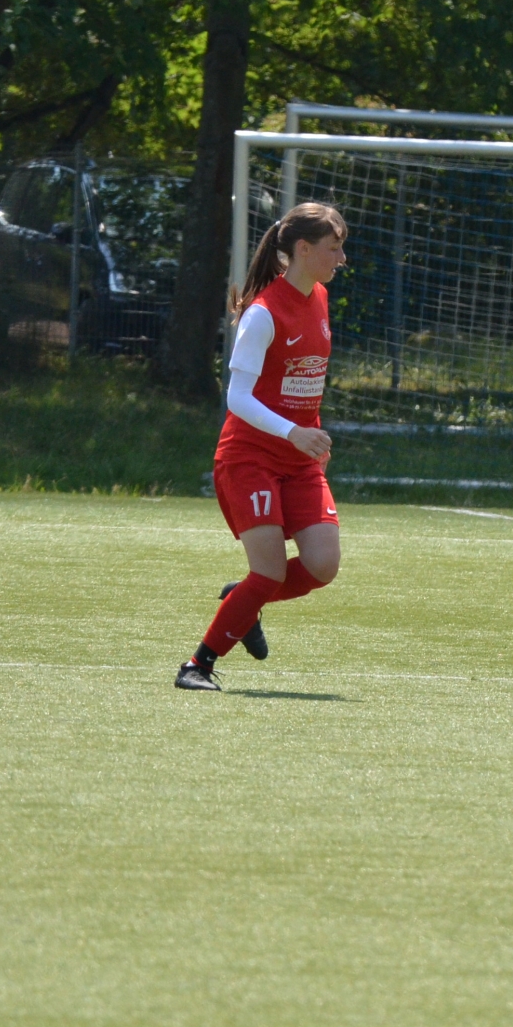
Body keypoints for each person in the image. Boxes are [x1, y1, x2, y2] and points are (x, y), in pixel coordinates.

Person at [176, 203, 348, 691]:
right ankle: (197, 665)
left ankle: (245, 598)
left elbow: (300, 384)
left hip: (299, 459)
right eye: (334, 248)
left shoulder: (319, 297)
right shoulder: (263, 314)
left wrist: (310, 439)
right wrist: (295, 432)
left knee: (323, 565)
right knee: (269, 571)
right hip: (249, 458)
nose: (341, 259)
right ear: (303, 249)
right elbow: (238, 397)